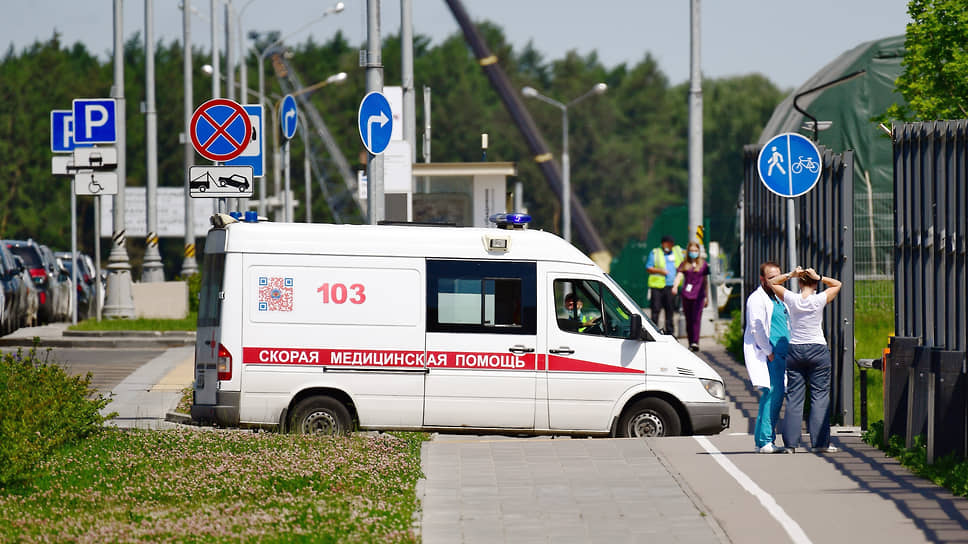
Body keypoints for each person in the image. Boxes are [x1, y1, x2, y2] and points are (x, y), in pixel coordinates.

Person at [770, 266, 843, 454]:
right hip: (817, 348)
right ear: (815, 283)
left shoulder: (792, 299)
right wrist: (819, 276)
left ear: (800, 283)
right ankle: (819, 443)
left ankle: (790, 445)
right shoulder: (819, 299)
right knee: (819, 396)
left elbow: (772, 283)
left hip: (795, 349)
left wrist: (791, 274)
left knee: (794, 397)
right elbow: (837, 284)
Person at [743, 261, 790, 454]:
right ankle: (764, 441)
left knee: (777, 395)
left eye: (778, 276)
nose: (775, 280)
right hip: (771, 355)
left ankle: (766, 439)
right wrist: (768, 351)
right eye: (771, 277)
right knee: (771, 394)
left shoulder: (779, 298)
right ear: (762, 279)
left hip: (783, 353)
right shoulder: (757, 299)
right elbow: (757, 327)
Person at [672, 241, 710, 351]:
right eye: (692, 251)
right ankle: (690, 341)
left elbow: (705, 281)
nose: (694, 253)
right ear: (688, 252)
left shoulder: (703, 264)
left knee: (696, 319)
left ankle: (695, 342)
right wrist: (675, 286)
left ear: (699, 252)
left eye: (696, 251)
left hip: (699, 295)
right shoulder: (684, 264)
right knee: (688, 319)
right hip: (686, 295)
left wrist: (707, 297)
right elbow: (679, 276)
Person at [645, 235, 683, 335]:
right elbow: (648, 268)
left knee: (670, 310)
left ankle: (670, 333)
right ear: (662, 244)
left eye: (670, 244)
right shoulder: (655, 253)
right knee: (655, 310)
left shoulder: (677, 252)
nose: (667, 246)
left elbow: (685, 260)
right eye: (665, 243)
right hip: (657, 286)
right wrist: (660, 271)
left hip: (671, 286)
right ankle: (653, 332)